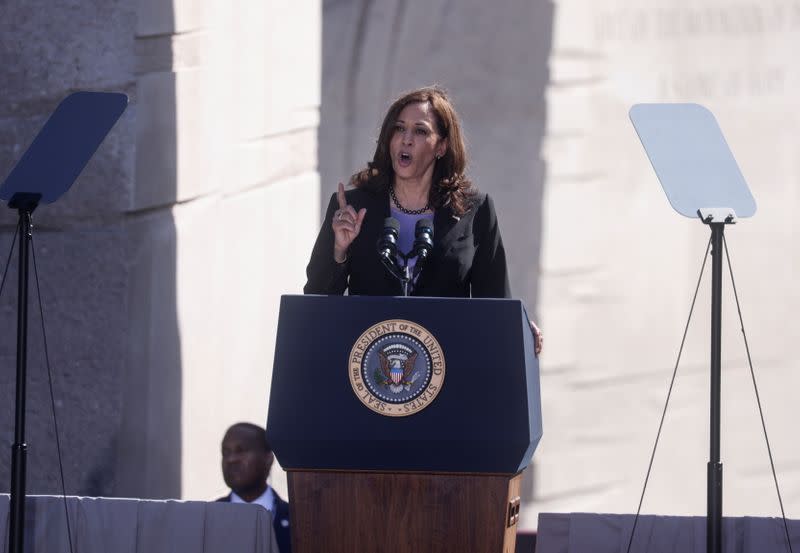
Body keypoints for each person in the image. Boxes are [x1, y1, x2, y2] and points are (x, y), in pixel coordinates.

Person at [304, 85, 542, 353]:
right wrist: (339, 250)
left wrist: (519, 329)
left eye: (420, 131)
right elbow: (316, 300)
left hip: (448, 368)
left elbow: (495, 304)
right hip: (370, 368)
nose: (406, 139)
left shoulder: (475, 210)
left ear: (441, 146)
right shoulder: (351, 207)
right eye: (399, 129)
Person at [217, 422, 291, 553]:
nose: (231, 459)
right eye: (225, 452)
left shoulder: (298, 521)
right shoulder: (206, 519)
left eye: (241, 451)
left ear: (268, 458)